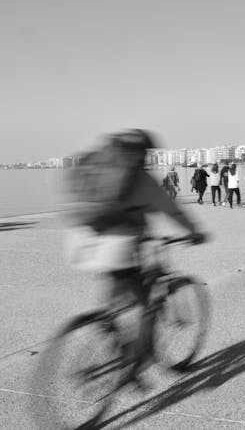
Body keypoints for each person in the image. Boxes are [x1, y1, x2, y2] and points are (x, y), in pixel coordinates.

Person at [69, 129, 205, 380]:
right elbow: (172, 210)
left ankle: (108, 325)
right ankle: (136, 362)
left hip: (82, 238)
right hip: (116, 245)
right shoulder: (140, 179)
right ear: (142, 153)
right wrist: (195, 232)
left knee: (118, 287)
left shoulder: (100, 170)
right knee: (147, 304)